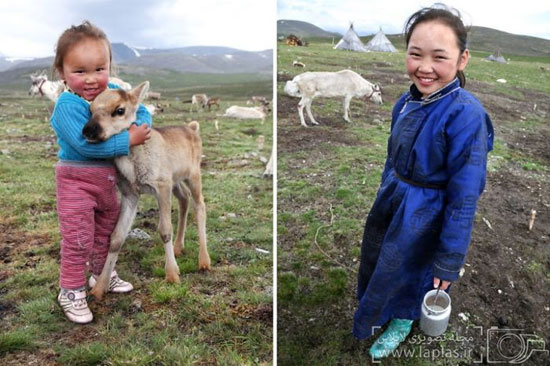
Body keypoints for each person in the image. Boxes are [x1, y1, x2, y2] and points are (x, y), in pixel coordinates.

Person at [353, 4, 494, 358]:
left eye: (439, 57)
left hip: (430, 211)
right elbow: (392, 154)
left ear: (463, 60)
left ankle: (402, 319)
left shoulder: (466, 116)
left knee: (417, 269)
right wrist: (389, 190)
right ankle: (380, 306)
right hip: (394, 198)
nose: (424, 67)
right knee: (384, 257)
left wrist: (449, 260)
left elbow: (464, 196)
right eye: (415, 54)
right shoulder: (403, 101)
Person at [50, 21, 152, 324]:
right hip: (75, 182)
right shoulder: (67, 106)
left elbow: (137, 108)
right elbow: (86, 146)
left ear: (109, 66)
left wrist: (137, 116)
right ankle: (70, 290)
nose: (91, 79)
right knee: (78, 237)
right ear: (62, 72)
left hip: (108, 184)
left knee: (106, 232)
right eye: (80, 72)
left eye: (99, 69)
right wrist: (127, 140)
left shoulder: (108, 96)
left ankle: (101, 274)